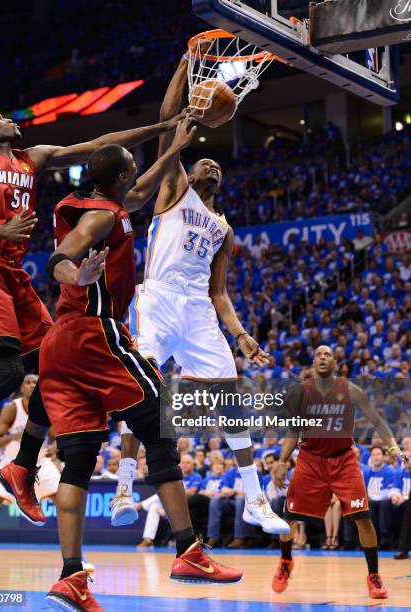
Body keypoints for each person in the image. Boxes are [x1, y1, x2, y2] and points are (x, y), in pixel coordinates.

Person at [33, 118, 243, 609]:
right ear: (122, 179)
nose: (139, 174)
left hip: (58, 345)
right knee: (159, 424)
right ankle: (188, 549)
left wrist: (177, 143)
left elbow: (149, 183)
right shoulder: (103, 217)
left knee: (79, 460)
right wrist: (75, 271)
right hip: (95, 331)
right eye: (134, 168)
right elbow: (58, 256)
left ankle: (70, 574)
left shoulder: (106, 201)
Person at [0, 107, 183, 525]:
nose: (7, 116)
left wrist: (161, 126)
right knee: (8, 371)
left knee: (52, 365)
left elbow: (100, 145)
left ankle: (22, 467)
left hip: (13, 273)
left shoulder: (32, 158)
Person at [113, 50, 289, 538]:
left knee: (231, 397)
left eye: (217, 164)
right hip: (159, 300)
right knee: (142, 385)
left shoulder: (223, 228)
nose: (210, 163)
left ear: (220, 182)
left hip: (198, 312)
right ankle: (126, 485)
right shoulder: (173, 189)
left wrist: (242, 335)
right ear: (190, 174)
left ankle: (255, 498)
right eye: (204, 160)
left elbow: (220, 293)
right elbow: (168, 118)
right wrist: (184, 65)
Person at [273, 345, 403, 599]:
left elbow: (377, 420)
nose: (323, 357)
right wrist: (281, 460)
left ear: (335, 362)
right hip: (310, 460)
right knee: (287, 517)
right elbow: (292, 430)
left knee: (363, 518)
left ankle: (374, 576)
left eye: (328, 354)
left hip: (343, 460)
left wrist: (394, 448)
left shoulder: (352, 390)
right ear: (313, 362)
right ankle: (286, 561)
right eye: (319, 354)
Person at [0, 374, 94, 574]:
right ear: (22, 388)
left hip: (41, 463)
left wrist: (54, 450)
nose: (32, 385)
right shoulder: (12, 408)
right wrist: (17, 435)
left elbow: (55, 436)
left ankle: (78, 557)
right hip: (11, 463)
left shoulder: (47, 405)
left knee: (65, 502)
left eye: (35, 382)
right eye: (28, 382)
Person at [136, 454, 202, 549]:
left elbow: (191, 492)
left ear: (193, 465)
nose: (185, 465)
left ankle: (140, 506)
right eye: (183, 462)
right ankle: (148, 540)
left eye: (188, 462)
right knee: (154, 506)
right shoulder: (177, 477)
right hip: (169, 507)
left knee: (167, 493)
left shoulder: (196, 477)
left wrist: (175, 492)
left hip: (184, 508)